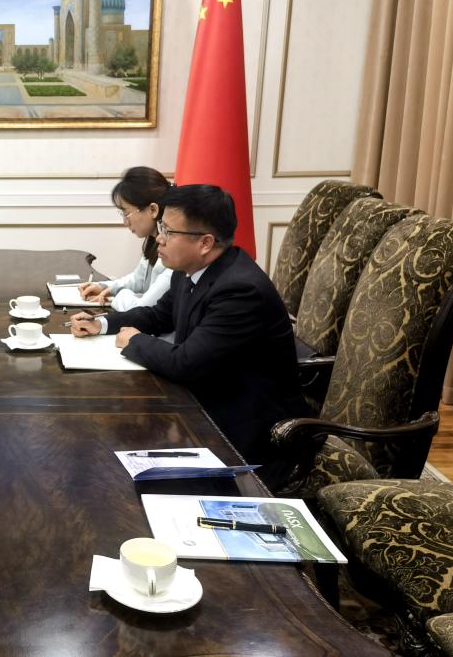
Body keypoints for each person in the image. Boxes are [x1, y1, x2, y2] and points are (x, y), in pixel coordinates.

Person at [69, 184, 308, 488]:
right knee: (110, 446)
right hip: (203, 405)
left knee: (115, 472)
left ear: (205, 242)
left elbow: (187, 363)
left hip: (248, 435)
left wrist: (135, 341)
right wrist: (102, 324)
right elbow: (158, 315)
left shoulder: (240, 290)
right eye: (161, 228)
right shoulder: (190, 270)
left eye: (169, 232)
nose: (159, 238)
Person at [77, 166, 173, 311]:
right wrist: (105, 287)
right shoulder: (153, 241)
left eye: (126, 213)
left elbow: (141, 309)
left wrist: (118, 295)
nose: (125, 222)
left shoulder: (173, 253)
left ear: (153, 210)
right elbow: (138, 280)